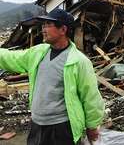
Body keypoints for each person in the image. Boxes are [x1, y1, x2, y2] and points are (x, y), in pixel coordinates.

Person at [0, 8, 105, 145]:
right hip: (37, 124)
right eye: (43, 25)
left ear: (63, 30)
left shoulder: (79, 61)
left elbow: (90, 96)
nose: (43, 29)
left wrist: (92, 126)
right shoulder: (39, 52)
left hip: (62, 127)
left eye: (48, 25)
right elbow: (12, 58)